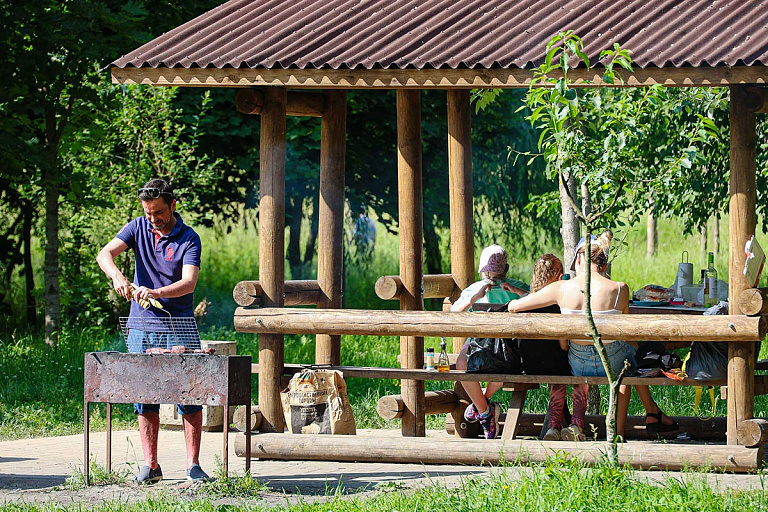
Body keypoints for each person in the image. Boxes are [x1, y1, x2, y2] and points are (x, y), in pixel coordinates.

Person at [507, 231, 678, 441]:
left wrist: (519, 293)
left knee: (630, 361)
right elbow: (626, 333)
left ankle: (652, 414)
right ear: (604, 265)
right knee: (631, 365)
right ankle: (620, 432)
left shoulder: (561, 288)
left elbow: (514, 307)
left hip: (578, 364)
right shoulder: (620, 289)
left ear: (579, 258)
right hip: (613, 362)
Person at [96, 178, 209, 484]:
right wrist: (118, 277)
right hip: (140, 327)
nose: (153, 219)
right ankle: (151, 466)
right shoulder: (137, 227)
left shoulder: (189, 238)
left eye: (158, 212)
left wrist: (157, 293)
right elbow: (104, 255)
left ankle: (193, 465)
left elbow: (189, 283)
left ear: (173, 205)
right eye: (148, 213)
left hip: (180, 325)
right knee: (144, 397)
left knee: (190, 394)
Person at [451, 244, 530, 439]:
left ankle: (482, 407)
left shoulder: (517, 287)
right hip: (478, 341)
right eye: (489, 275)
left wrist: (515, 290)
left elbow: (537, 301)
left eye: (496, 275)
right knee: (462, 364)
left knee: (505, 364)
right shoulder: (474, 290)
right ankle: (485, 412)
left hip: (507, 343)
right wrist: (474, 299)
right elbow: (453, 314)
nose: (492, 279)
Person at [516, 254, 572, 441]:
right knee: (568, 366)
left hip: (527, 365)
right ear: (558, 275)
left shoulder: (525, 301)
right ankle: (557, 425)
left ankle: (556, 425)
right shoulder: (559, 304)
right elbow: (564, 347)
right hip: (556, 367)